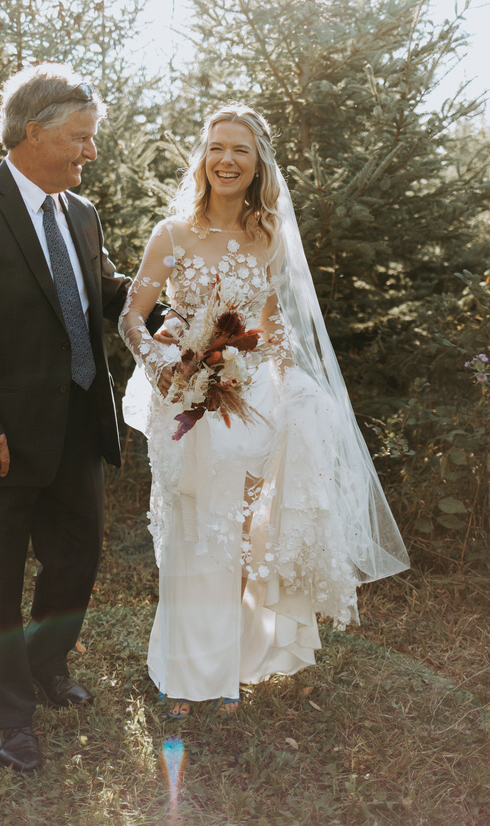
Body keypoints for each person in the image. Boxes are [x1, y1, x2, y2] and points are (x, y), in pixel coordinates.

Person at [0, 63, 168, 771]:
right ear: (35, 133)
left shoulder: (80, 214)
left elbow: (107, 291)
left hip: (79, 430)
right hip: (0, 437)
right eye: (81, 139)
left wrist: (187, 318)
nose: (92, 152)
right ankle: (8, 717)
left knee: (77, 558)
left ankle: (45, 664)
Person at [119, 103, 410, 718]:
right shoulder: (171, 235)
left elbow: (271, 330)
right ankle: (183, 675)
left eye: (240, 151)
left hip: (248, 401)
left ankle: (225, 673)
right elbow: (131, 318)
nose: (226, 160)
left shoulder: (271, 237)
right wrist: (165, 364)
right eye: (217, 147)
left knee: (234, 537)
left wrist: (281, 382)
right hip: (182, 399)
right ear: (203, 157)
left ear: (257, 165)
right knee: (190, 531)